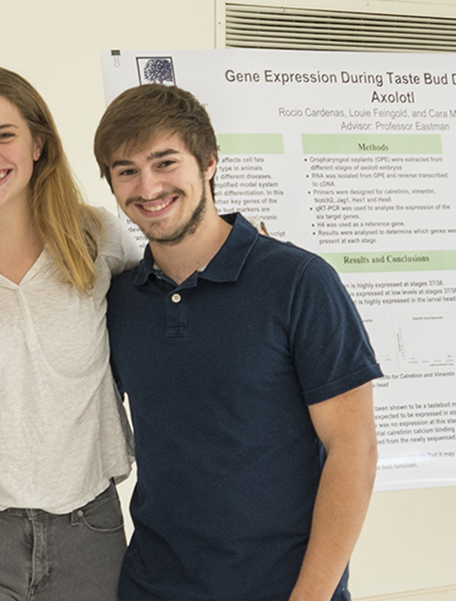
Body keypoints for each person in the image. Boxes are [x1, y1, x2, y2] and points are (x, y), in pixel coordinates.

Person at [94, 83, 381, 601]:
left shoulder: (298, 281)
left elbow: (353, 449)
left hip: (282, 588)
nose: (148, 186)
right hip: (152, 586)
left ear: (208, 162)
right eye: (126, 170)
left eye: (165, 162)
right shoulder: (119, 302)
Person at [0, 68, 138, 600]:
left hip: (91, 527)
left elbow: (178, 279)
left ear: (39, 142)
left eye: (4, 135)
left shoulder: (95, 237)